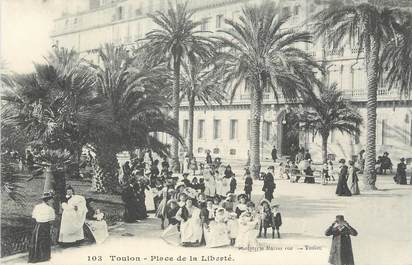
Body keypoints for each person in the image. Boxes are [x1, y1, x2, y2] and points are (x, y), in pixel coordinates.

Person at [28, 191, 55, 263]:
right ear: (48, 200)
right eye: (51, 199)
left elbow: (34, 217)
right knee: (44, 241)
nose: (52, 200)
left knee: (36, 240)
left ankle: (35, 256)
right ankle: (44, 257)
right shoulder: (50, 209)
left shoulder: (37, 207)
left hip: (38, 225)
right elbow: (51, 220)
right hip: (45, 226)